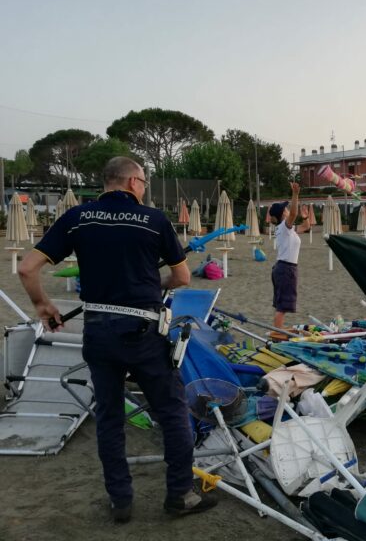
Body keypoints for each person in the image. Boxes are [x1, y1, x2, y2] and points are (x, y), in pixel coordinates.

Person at [17, 157, 217, 523]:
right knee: (172, 412)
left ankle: (120, 502)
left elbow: (27, 267)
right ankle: (179, 496)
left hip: (98, 329)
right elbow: (184, 278)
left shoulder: (78, 218)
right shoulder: (155, 221)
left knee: (109, 417)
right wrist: (152, 284)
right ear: (132, 182)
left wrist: (42, 305)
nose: (143, 189)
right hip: (143, 330)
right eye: (143, 182)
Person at [268, 182, 310, 329]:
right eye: (285, 209)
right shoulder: (284, 227)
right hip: (285, 269)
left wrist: (305, 217)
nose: (287, 210)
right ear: (282, 214)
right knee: (282, 308)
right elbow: (293, 214)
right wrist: (295, 194)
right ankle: (277, 337)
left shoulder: (287, 229)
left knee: (281, 306)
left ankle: (277, 333)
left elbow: (306, 227)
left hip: (283, 268)